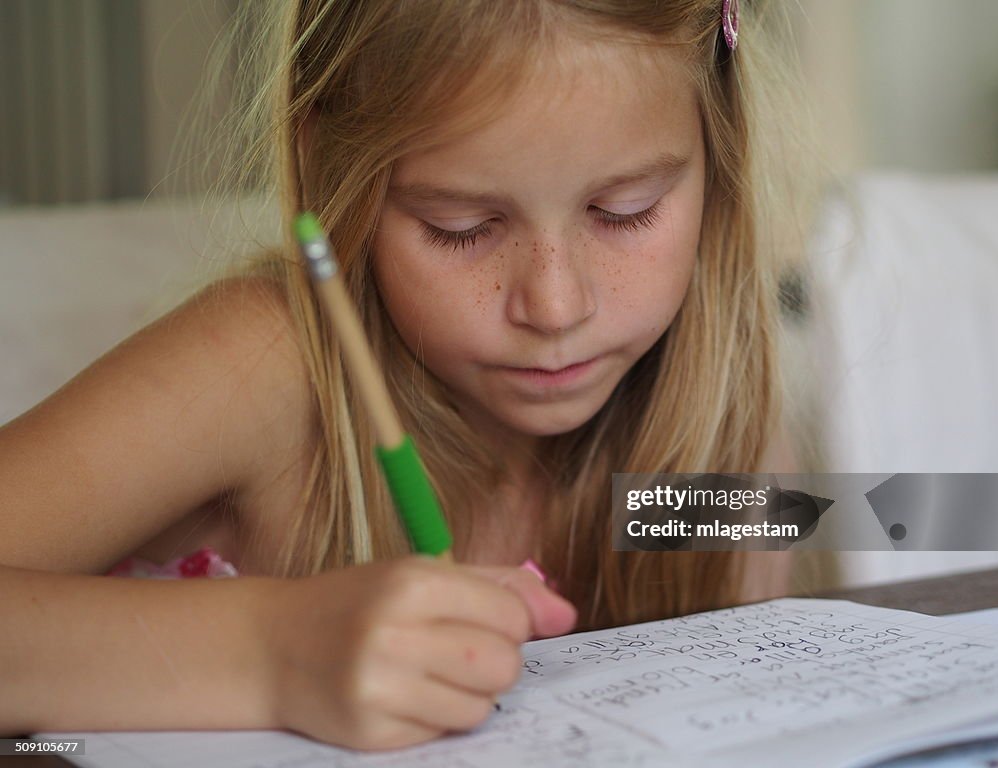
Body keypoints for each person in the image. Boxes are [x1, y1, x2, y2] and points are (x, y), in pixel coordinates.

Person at [0, 0, 815, 752]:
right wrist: (274, 654)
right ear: (330, 172)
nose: (556, 305)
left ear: (718, 155)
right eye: (459, 226)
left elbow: (895, 529)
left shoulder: (717, 420)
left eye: (627, 210)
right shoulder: (260, 365)